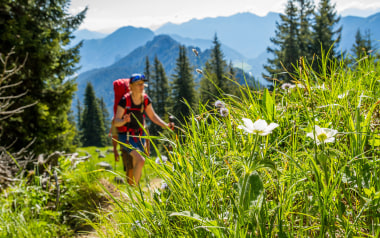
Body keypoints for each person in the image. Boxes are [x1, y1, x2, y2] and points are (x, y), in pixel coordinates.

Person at [114, 73, 174, 186]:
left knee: (138, 162)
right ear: (131, 86)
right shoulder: (125, 100)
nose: (142, 86)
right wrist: (124, 121)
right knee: (140, 160)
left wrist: (165, 125)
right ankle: (135, 190)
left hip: (139, 136)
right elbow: (116, 122)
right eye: (138, 84)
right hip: (126, 137)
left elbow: (152, 116)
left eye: (143, 84)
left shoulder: (145, 99)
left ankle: (133, 188)